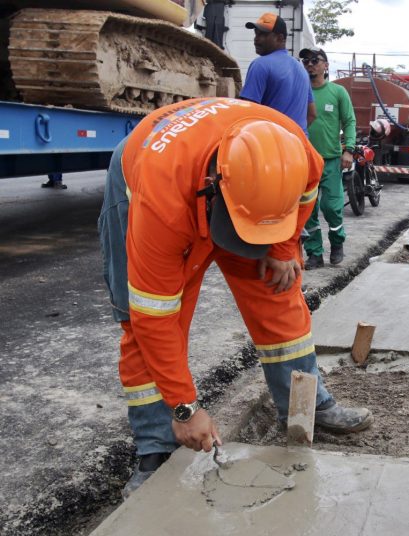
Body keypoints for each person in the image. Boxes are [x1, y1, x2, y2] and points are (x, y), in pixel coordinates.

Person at [98, 97, 373, 499]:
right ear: (214, 190)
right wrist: (185, 409)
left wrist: (282, 250)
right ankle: (157, 445)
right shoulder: (161, 202)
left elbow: (305, 196)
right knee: (147, 322)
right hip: (152, 168)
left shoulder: (297, 156)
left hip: (245, 189)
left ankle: (305, 402)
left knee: (278, 290)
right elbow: (153, 319)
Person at [299, 47, 356, 269]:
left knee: (331, 207)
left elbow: (349, 121)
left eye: (315, 60)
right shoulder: (300, 92)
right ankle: (314, 253)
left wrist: (349, 149)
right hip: (304, 161)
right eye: (306, 61)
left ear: (326, 65)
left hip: (331, 160)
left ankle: (337, 243)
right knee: (308, 210)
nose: (310, 64)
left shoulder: (338, 92)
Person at [240, 12, 315, 132]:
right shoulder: (301, 69)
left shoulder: (260, 65)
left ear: (280, 38)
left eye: (263, 34)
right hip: (298, 146)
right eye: (256, 33)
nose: (256, 39)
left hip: (272, 145)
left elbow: (247, 113)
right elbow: (312, 114)